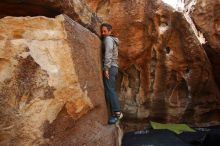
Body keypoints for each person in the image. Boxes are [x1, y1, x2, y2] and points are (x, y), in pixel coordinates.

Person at [100, 23, 123, 124]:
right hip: (114, 67)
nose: (103, 33)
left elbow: (108, 52)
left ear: (110, 31)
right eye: (102, 31)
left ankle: (118, 114)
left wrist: (106, 68)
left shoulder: (108, 39)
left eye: (105, 31)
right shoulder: (112, 40)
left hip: (110, 67)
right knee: (110, 90)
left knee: (110, 90)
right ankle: (115, 113)